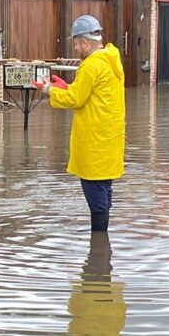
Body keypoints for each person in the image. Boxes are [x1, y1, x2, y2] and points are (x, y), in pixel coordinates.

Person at [34, 15, 125, 231]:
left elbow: (76, 99)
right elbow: (86, 93)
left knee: (95, 194)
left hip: (94, 142)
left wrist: (48, 90)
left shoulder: (91, 65)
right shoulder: (111, 60)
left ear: (85, 42)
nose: (75, 48)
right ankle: (102, 251)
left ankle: (99, 245)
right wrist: (64, 86)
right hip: (109, 141)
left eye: (76, 43)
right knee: (103, 190)